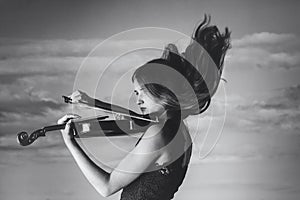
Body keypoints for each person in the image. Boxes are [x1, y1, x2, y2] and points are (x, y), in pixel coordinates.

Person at [57, 15, 231, 200]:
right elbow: (133, 118)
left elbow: (106, 187)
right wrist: (93, 103)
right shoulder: (178, 130)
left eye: (142, 91)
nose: (137, 98)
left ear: (161, 90)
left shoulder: (158, 133)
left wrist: (70, 143)